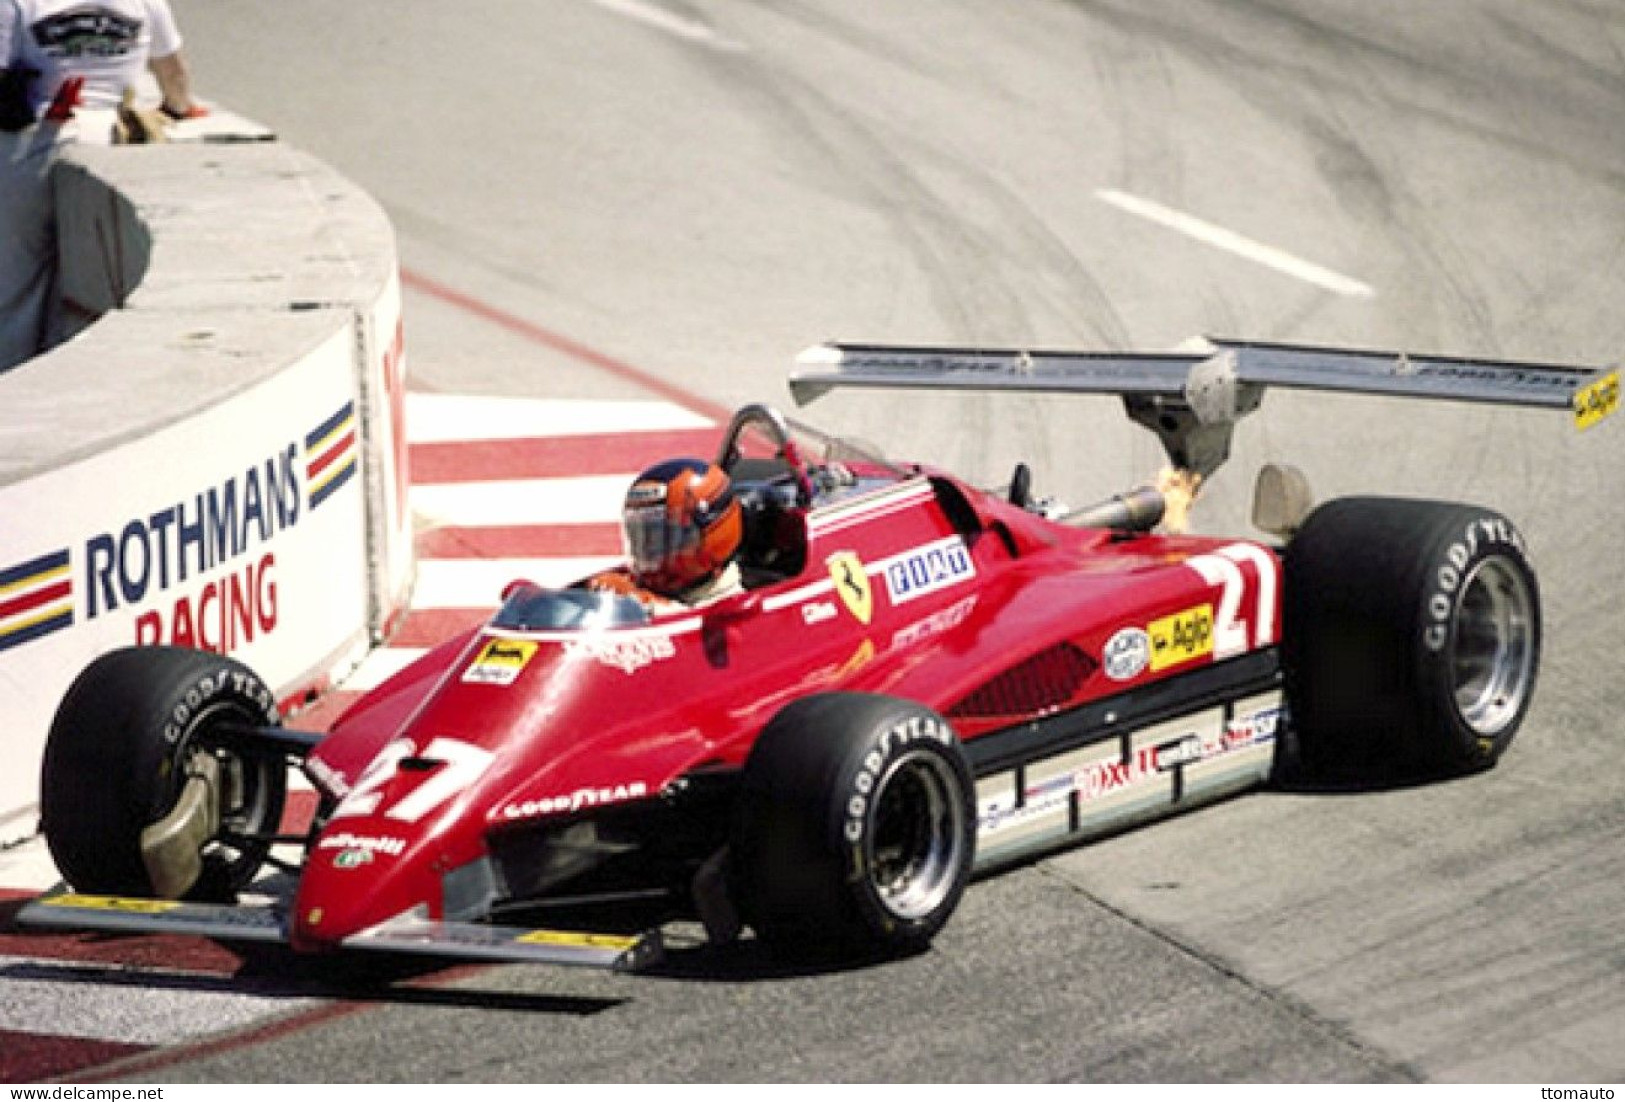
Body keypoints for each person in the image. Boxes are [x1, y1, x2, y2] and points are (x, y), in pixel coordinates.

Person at [1, 0, 202, 370]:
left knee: (17, 280)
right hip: (109, 135)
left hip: (30, 143)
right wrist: (177, 110)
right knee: (94, 278)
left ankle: (14, 375)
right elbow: (173, 73)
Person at [585, 458, 745, 615]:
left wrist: (641, 604)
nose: (648, 549)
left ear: (715, 537)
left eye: (663, 538)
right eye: (639, 535)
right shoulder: (637, 584)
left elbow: (692, 623)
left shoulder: (734, 608)